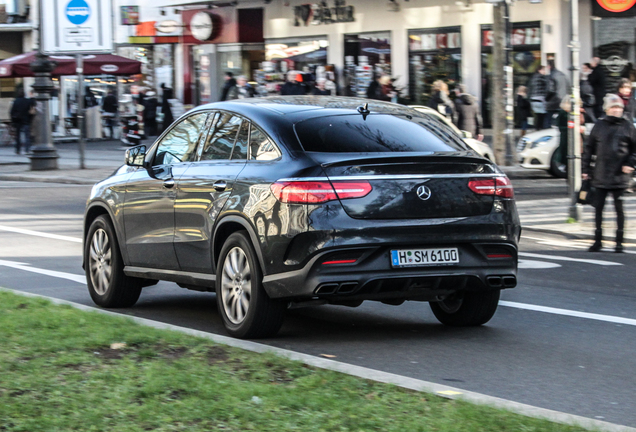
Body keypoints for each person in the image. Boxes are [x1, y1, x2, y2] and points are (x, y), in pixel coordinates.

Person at [582, 94, 636, 253]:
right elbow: (589, 149)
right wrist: (586, 170)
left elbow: (635, 150)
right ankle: (597, 241)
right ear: (607, 109)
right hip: (600, 174)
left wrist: (630, 164)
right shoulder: (599, 126)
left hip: (620, 175)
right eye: (613, 107)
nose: (616, 110)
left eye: (619, 107)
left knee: (619, 209)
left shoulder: (628, 126)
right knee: (598, 209)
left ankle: (619, 242)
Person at [545, 60, 571, 129]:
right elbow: (569, 87)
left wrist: (546, 98)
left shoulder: (551, 76)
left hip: (554, 101)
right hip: (563, 101)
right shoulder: (563, 75)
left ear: (549, 66)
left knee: (548, 120)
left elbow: (551, 90)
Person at [10, 88, 36, 154]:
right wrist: (31, 95)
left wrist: (13, 120)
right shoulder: (27, 101)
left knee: (18, 136)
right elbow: (34, 103)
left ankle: (18, 149)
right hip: (26, 120)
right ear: (24, 94)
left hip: (17, 120)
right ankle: (27, 149)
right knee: (27, 135)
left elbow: (12, 111)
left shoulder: (15, 101)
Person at [528, 65, 548, 130]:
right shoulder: (543, 78)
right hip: (540, 98)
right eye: (543, 70)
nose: (545, 71)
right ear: (539, 70)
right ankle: (541, 129)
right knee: (542, 116)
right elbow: (547, 87)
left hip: (533, 99)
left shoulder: (532, 78)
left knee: (537, 116)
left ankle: (536, 128)